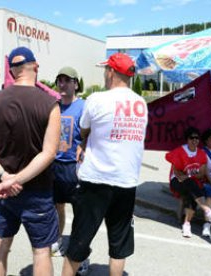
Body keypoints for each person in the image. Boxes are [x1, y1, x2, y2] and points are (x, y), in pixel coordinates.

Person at [62, 53, 148, 276]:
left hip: (96, 180)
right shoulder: (141, 103)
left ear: (110, 72)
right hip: (126, 181)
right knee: (119, 246)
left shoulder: (97, 99)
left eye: (105, 70)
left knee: (78, 243)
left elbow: (84, 129)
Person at [0, 46, 61, 276]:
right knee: (41, 251)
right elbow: (49, 152)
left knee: (0, 244)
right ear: (35, 67)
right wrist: (17, 179)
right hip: (37, 190)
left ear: (13, 72)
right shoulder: (49, 104)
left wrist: (5, 178)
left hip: (3, 190)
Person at [50, 66, 84, 257]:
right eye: (59, 81)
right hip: (55, 166)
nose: (62, 84)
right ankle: (57, 239)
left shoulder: (84, 106)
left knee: (80, 211)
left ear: (75, 84)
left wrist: (84, 147)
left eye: (67, 80)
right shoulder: (54, 107)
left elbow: (91, 134)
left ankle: (79, 250)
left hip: (75, 167)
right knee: (57, 206)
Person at [165, 127, 211, 238]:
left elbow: (202, 173)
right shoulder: (180, 152)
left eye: (197, 138)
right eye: (192, 138)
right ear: (187, 139)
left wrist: (190, 176)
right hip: (176, 181)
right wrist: (188, 177)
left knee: (191, 194)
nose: (195, 140)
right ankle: (207, 210)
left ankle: (187, 224)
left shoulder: (201, 154)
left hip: (192, 182)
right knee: (190, 185)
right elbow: (178, 174)